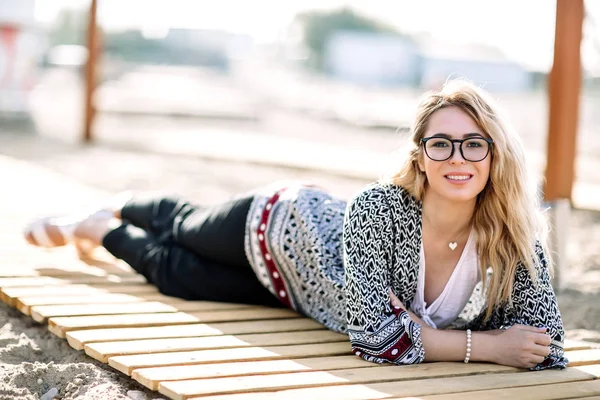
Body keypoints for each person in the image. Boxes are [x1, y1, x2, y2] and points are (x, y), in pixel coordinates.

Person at [23, 79, 567, 370]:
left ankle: (98, 228)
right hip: (279, 222)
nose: (458, 158)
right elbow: (377, 340)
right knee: (184, 224)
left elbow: (549, 348)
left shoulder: (515, 236)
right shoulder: (379, 208)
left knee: (177, 276)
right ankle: (123, 204)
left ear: (495, 157)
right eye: (440, 143)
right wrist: (488, 346)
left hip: (302, 296)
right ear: (420, 156)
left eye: (474, 144)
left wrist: (441, 340)